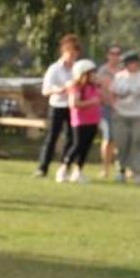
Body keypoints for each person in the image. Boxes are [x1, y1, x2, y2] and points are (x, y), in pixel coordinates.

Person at [108, 50, 140, 183]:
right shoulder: (120, 76)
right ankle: (121, 170)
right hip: (121, 115)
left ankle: (137, 172)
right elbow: (112, 93)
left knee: (138, 143)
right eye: (129, 63)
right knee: (122, 143)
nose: (132, 65)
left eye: (134, 63)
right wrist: (114, 106)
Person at [34, 34, 82, 178]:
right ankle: (43, 167)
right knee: (52, 137)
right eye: (69, 52)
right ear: (63, 51)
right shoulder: (54, 68)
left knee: (71, 138)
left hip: (73, 106)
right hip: (57, 105)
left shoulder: (78, 69)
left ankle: (64, 167)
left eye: (75, 53)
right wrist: (60, 89)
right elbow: (45, 90)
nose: (72, 55)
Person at [56, 56, 101, 183]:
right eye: (91, 72)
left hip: (93, 120)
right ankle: (64, 168)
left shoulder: (93, 86)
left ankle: (78, 171)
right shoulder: (77, 87)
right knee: (77, 145)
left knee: (85, 147)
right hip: (81, 121)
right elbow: (74, 104)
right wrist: (91, 102)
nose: (94, 75)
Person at [95, 43, 123, 179]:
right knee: (109, 137)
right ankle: (105, 168)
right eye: (113, 53)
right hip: (106, 109)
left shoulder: (124, 71)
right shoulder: (102, 71)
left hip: (123, 110)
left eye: (118, 54)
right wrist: (111, 102)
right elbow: (99, 90)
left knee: (122, 139)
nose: (115, 56)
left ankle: (121, 168)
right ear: (108, 55)